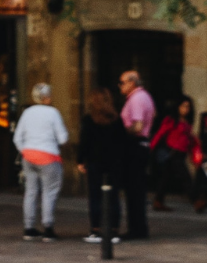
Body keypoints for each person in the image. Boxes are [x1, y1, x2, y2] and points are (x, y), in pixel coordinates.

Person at [13, 83, 68, 242]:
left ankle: (29, 228)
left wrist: (25, 150)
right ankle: (48, 228)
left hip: (29, 156)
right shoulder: (53, 113)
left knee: (30, 192)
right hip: (49, 156)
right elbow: (63, 138)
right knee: (49, 192)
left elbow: (17, 137)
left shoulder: (27, 113)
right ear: (47, 97)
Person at [78, 88, 127, 243]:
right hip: (114, 163)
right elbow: (122, 143)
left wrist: (80, 160)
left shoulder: (89, 120)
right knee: (113, 196)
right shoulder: (116, 120)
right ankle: (113, 230)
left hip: (95, 162)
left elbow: (84, 142)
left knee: (95, 196)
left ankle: (96, 230)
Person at [119, 70, 155, 239]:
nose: (120, 86)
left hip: (135, 146)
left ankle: (137, 229)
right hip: (141, 145)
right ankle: (139, 227)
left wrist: (121, 131)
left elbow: (138, 126)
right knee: (136, 189)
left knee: (133, 189)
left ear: (132, 82)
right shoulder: (144, 96)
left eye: (122, 82)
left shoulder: (137, 99)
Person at [150, 96, 203, 212]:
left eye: (188, 106)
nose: (186, 109)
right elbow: (160, 133)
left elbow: (190, 142)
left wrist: (195, 157)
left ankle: (158, 201)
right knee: (185, 177)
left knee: (165, 178)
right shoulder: (171, 120)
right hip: (172, 153)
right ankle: (196, 200)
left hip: (181, 153)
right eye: (183, 106)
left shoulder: (187, 123)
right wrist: (151, 148)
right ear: (178, 107)